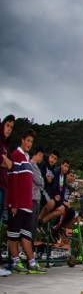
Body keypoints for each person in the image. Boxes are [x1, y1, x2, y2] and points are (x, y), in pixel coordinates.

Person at [6, 129, 46, 274]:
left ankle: (31, 262)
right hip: (18, 204)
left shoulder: (27, 159)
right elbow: (13, 180)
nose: (29, 144)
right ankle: (16, 261)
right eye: (27, 140)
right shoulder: (15, 156)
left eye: (31, 141)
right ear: (22, 140)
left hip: (28, 204)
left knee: (26, 235)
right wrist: (14, 204)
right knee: (13, 234)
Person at [0, 115, 14, 277]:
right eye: (7, 125)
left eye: (11, 127)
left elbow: (11, 165)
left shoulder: (5, 146)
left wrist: (5, 160)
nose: (9, 129)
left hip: (4, 187)